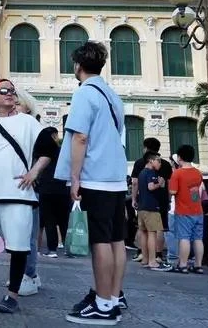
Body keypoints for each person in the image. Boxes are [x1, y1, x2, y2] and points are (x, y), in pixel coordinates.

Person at [54, 41, 128, 325]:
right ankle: (113, 294)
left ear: (77, 65)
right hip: (115, 177)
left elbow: (80, 137)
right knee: (116, 240)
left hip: (95, 177)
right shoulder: (112, 95)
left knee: (100, 241)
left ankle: (103, 304)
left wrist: (75, 177)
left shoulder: (85, 94)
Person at [0, 78, 51, 315]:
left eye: (12, 91)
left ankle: (12, 295)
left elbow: (49, 149)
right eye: (3, 91)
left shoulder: (28, 122)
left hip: (20, 194)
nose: (9, 94)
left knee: (19, 247)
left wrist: (34, 171)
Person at [13, 87, 43, 296]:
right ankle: (22, 273)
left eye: (17, 104)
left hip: (28, 188)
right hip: (8, 188)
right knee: (15, 235)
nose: (13, 107)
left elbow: (48, 152)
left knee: (27, 235)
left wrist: (34, 172)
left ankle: (29, 275)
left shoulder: (33, 126)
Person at [130, 137, 172, 264]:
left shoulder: (139, 163)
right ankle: (157, 255)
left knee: (142, 229)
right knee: (159, 229)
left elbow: (135, 182)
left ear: (146, 148)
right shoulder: (165, 164)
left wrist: (133, 198)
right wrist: (169, 199)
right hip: (160, 200)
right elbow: (168, 183)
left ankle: (143, 254)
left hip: (143, 200)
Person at [168, 144, 205, 273]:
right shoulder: (197, 173)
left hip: (183, 211)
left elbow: (173, 191)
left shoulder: (177, 173)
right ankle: (198, 265)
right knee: (198, 238)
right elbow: (194, 192)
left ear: (179, 158)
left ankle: (183, 264)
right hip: (197, 210)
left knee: (184, 237)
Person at [37, 127, 71, 259]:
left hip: (46, 188)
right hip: (62, 188)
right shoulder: (63, 151)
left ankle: (52, 249)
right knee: (64, 220)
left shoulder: (42, 152)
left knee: (49, 219)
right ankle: (68, 248)